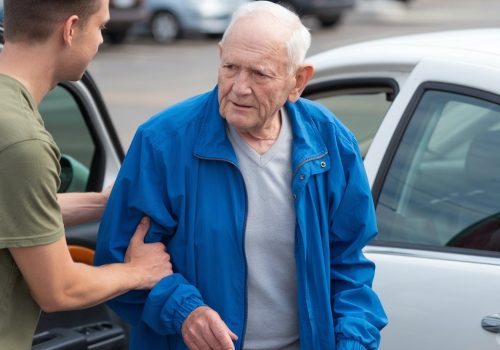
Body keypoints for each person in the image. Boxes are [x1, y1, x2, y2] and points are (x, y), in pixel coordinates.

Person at [95, 1, 388, 349]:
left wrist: (353, 342)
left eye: (260, 74)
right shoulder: (163, 143)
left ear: (298, 81)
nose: (239, 87)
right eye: (230, 67)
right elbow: (119, 266)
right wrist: (184, 312)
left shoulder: (331, 144)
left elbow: (348, 266)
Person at [0, 1, 173, 349]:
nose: (100, 42)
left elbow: (16, 209)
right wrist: (139, 272)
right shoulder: (21, 140)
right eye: (101, 28)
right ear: (70, 29)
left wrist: (103, 203)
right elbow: (59, 290)